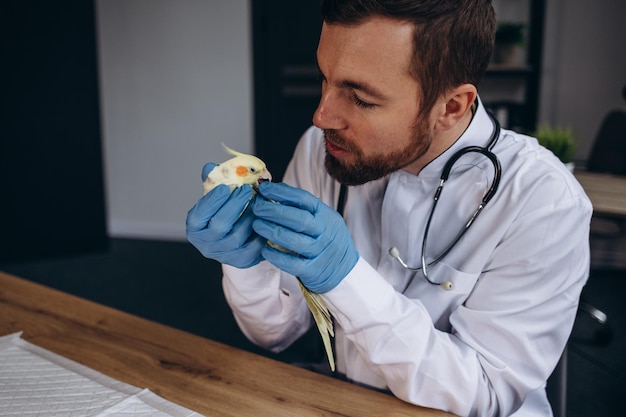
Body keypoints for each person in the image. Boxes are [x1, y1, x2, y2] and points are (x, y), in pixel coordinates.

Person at [186, 1, 592, 416]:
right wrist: (247, 265)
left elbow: (484, 395)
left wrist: (345, 278)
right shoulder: (320, 149)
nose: (322, 116)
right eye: (323, 79)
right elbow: (276, 334)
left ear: (451, 107)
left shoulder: (543, 202)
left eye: (360, 99)